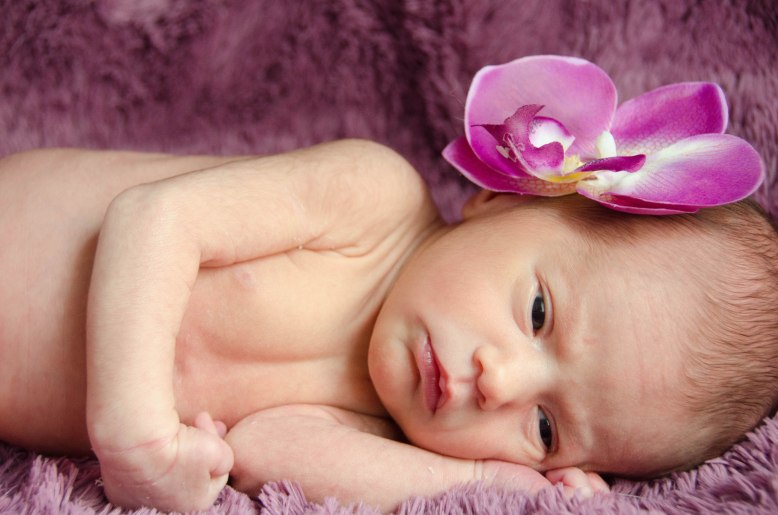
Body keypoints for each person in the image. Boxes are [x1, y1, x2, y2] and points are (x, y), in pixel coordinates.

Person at [0, 139, 775, 513]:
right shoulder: (372, 201)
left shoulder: (379, 419)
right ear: (505, 200)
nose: (499, 380)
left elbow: (264, 449)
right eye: (537, 313)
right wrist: (135, 438)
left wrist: (487, 482)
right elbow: (154, 220)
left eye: (545, 426)